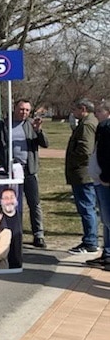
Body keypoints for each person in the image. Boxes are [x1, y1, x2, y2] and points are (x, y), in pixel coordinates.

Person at [0, 98, 49, 248]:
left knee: (34, 203)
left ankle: (38, 234)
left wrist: (38, 130)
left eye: (27, 110)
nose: (24, 112)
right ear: (14, 109)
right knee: (9, 203)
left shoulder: (31, 125)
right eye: (21, 109)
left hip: (29, 169)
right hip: (9, 170)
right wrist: (1, 156)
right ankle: (10, 232)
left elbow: (45, 143)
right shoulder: (2, 125)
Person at [65, 98, 99, 254]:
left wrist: (73, 159)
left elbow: (86, 150)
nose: (73, 112)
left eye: (75, 109)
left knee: (86, 207)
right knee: (87, 207)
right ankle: (90, 239)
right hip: (83, 172)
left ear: (83, 108)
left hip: (83, 173)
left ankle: (90, 241)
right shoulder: (90, 122)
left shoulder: (86, 125)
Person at [88, 101, 110, 269]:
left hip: (105, 181)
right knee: (106, 220)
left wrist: (105, 176)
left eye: (99, 111)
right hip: (99, 180)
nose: (95, 114)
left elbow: (106, 152)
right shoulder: (102, 126)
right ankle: (107, 253)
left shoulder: (106, 127)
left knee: (108, 219)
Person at [0, 187, 23, 268]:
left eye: (11, 198)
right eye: (6, 198)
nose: (9, 201)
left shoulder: (21, 217)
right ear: (1, 201)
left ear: (16, 200)